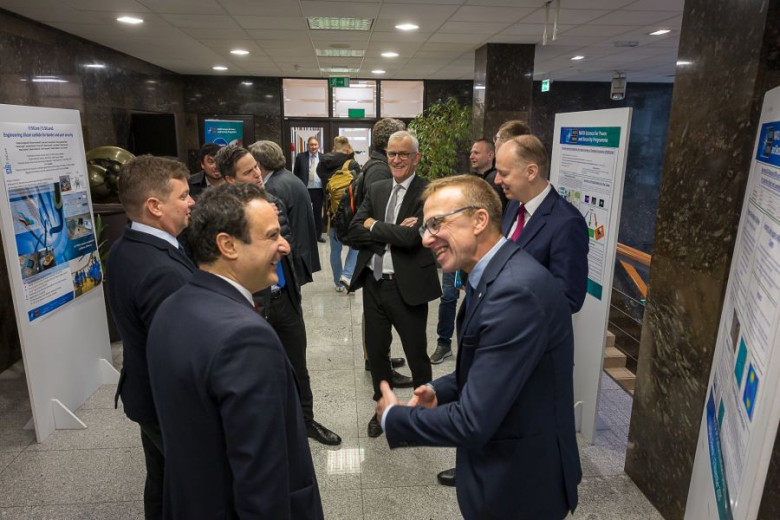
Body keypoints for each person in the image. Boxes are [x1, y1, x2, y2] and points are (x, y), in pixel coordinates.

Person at [376, 175, 581, 520]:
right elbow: (489, 365)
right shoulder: (493, 275)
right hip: (503, 473)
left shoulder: (514, 293)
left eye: (436, 224)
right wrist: (439, 390)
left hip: (520, 488)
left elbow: (473, 421)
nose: (426, 238)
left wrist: (396, 418)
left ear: (480, 220)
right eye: (425, 227)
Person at [147, 183, 323, 519]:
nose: (285, 245)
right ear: (227, 245)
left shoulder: (172, 308)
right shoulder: (246, 339)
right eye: (272, 236)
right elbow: (261, 480)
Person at [216, 144, 341, 446]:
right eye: (248, 172)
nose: (258, 175)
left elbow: (284, 246)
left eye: (256, 167)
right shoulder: (220, 214)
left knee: (298, 364)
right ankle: (268, 432)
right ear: (231, 180)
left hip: (284, 296)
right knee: (257, 371)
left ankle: (306, 422)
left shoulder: (274, 200)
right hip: (252, 304)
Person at [106, 156, 196, 519]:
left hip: (145, 395)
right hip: (169, 405)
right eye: (184, 196)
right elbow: (181, 354)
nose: (192, 202)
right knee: (192, 487)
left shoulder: (124, 247)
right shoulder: (162, 272)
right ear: (155, 206)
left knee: (160, 481)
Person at [348, 130, 441, 438]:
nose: (397, 159)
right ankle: (382, 408)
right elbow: (352, 231)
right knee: (376, 352)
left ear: (416, 157)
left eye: (403, 154)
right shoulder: (376, 187)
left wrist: (374, 224)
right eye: (392, 153)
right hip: (374, 283)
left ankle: (422, 414)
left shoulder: (429, 193)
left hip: (409, 287)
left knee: (416, 354)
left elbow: (412, 238)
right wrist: (389, 229)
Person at [496, 135, 589, 312]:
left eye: (504, 173)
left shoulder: (567, 223)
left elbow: (569, 298)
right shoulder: (514, 203)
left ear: (531, 172)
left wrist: (511, 305)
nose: (497, 180)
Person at [249, 140, 321, 286]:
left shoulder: (273, 187)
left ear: (260, 164)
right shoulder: (288, 177)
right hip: (300, 253)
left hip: (290, 258)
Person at [317, 135, 360, 291]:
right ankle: (347, 276)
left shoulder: (322, 165)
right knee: (355, 247)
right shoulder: (352, 164)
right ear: (347, 148)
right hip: (351, 213)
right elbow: (359, 187)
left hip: (332, 213)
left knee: (335, 250)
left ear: (334, 148)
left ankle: (337, 283)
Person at [293, 136, 326, 242]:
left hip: (319, 190)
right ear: (308, 145)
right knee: (304, 213)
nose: (313, 147)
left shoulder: (323, 158)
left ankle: (318, 236)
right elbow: (296, 173)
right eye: (311, 144)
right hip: (305, 189)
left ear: (318, 146)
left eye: (315, 144)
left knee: (317, 214)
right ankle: (305, 236)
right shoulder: (300, 157)